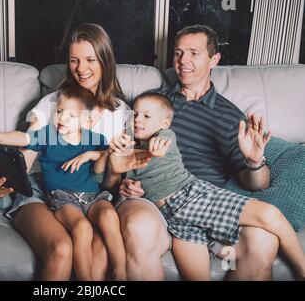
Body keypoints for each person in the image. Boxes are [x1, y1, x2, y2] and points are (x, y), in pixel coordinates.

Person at [104, 24, 281, 280]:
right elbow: (122, 155)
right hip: (154, 200)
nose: (183, 60)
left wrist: (254, 162)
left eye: (194, 53)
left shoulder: (231, 116)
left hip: (205, 203)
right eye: (178, 53)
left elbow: (255, 183)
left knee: (263, 241)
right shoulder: (152, 104)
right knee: (137, 228)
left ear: (214, 59)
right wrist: (126, 183)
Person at [0, 23, 133, 280]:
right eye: (74, 60)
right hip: (41, 189)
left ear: (106, 60)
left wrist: (105, 160)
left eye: (90, 59)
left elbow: (112, 181)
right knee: (61, 249)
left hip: (89, 192)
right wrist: (8, 180)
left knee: (99, 253)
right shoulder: (52, 103)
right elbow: (27, 153)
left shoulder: (121, 115)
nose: (81, 69)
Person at [107, 92, 305, 281]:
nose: (137, 119)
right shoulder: (132, 143)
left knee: (268, 214)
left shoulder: (165, 135)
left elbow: (159, 146)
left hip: (191, 196)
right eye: (136, 114)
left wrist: (254, 161)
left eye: (146, 116)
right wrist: (128, 185)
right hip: (172, 218)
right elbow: (118, 178)